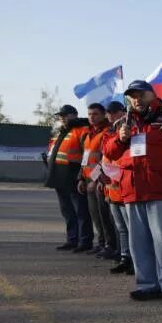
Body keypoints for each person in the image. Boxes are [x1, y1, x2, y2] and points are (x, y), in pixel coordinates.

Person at [103, 80, 162, 307]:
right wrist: (121, 138)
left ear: (151, 95)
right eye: (132, 96)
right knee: (139, 243)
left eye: (140, 94)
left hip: (161, 188)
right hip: (133, 189)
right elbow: (108, 151)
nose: (136, 99)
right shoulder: (122, 123)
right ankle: (148, 285)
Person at [45, 104, 93, 252]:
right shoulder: (60, 132)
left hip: (73, 175)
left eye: (65, 115)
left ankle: (84, 241)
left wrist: (83, 176)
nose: (62, 118)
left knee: (81, 211)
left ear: (74, 115)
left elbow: (87, 153)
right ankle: (72, 239)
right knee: (67, 211)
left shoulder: (82, 129)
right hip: (58, 176)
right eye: (61, 116)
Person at [79, 102, 119, 259]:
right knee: (96, 216)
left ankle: (111, 245)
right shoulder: (88, 134)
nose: (92, 117)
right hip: (89, 180)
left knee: (106, 216)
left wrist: (95, 180)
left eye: (95, 114)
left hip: (100, 180)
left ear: (103, 115)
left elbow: (104, 160)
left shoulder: (105, 133)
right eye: (89, 114)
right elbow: (85, 160)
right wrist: (81, 178)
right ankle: (102, 243)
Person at [101, 100, 133, 275]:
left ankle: (134, 260)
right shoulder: (109, 133)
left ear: (123, 113)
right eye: (109, 112)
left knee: (132, 229)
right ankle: (124, 257)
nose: (111, 116)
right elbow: (106, 157)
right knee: (121, 228)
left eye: (114, 112)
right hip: (112, 189)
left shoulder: (131, 132)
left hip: (126, 190)